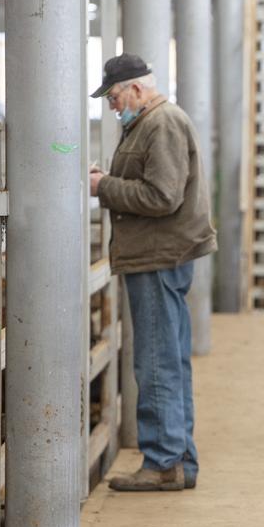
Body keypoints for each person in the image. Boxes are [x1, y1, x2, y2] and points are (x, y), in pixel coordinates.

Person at [89, 53, 216, 492]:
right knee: (169, 360)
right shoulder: (152, 122)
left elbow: (162, 197)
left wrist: (101, 186)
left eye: (114, 95)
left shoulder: (160, 124)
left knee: (157, 362)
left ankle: (163, 461)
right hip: (160, 255)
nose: (111, 104)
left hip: (157, 256)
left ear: (137, 90)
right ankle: (178, 459)